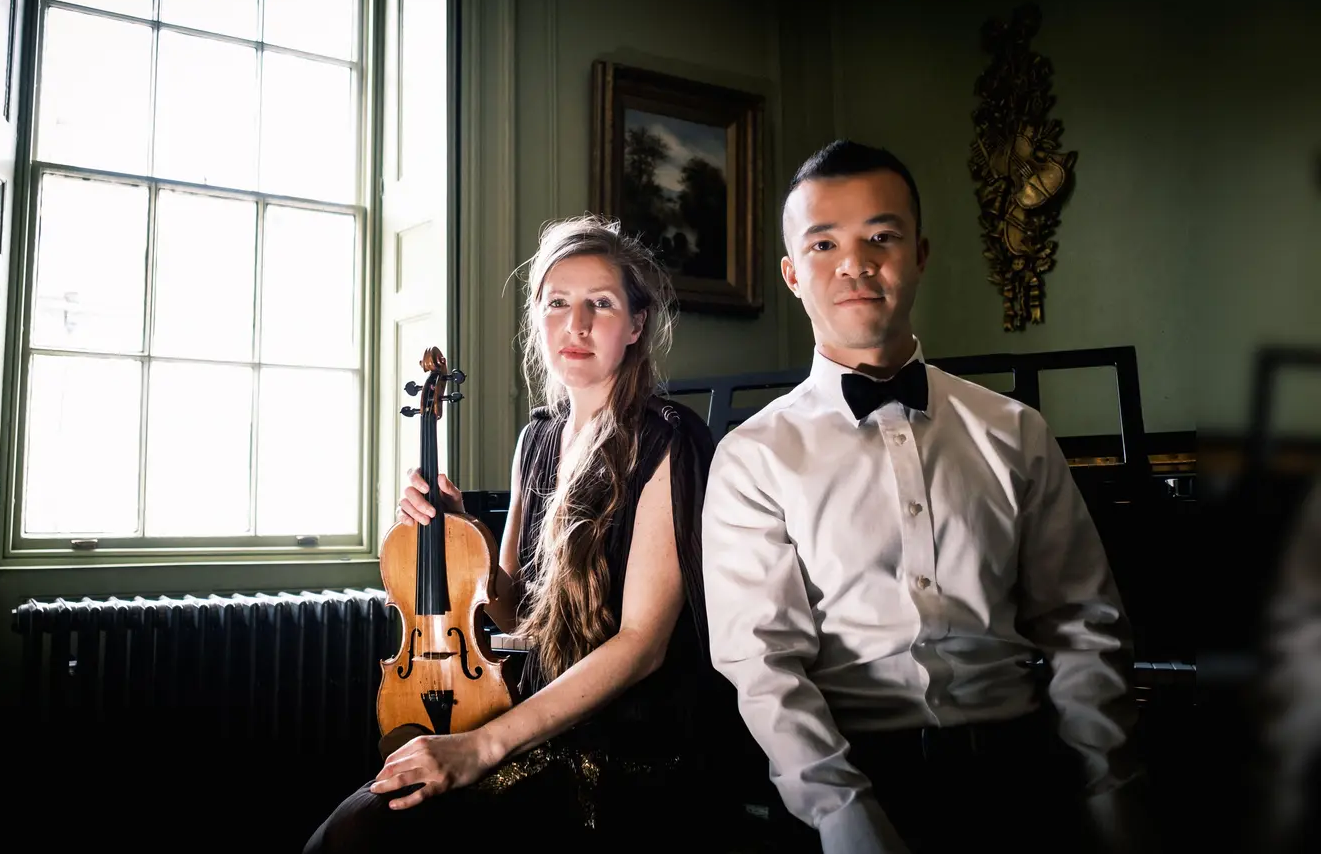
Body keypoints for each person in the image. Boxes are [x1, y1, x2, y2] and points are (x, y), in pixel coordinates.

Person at [701, 140, 1154, 854]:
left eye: (882, 236)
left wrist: (1109, 791)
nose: (855, 263)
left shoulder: (1016, 431)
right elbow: (764, 667)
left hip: (1022, 775)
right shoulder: (753, 457)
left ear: (920, 255)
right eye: (824, 243)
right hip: (849, 782)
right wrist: (846, 820)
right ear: (792, 273)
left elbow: (1081, 626)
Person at [303, 215, 738, 852]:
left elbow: (642, 644)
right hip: (534, 725)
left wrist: (480, 746)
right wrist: (461, 530)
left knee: (367, 839)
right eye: (558, 303)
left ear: (637, 325)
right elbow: (510, 612)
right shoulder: (538, 438)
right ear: (537, 317)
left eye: (602, 304)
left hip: (624, 753)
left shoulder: (670, 438)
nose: (577, 324)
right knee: (346, 832)